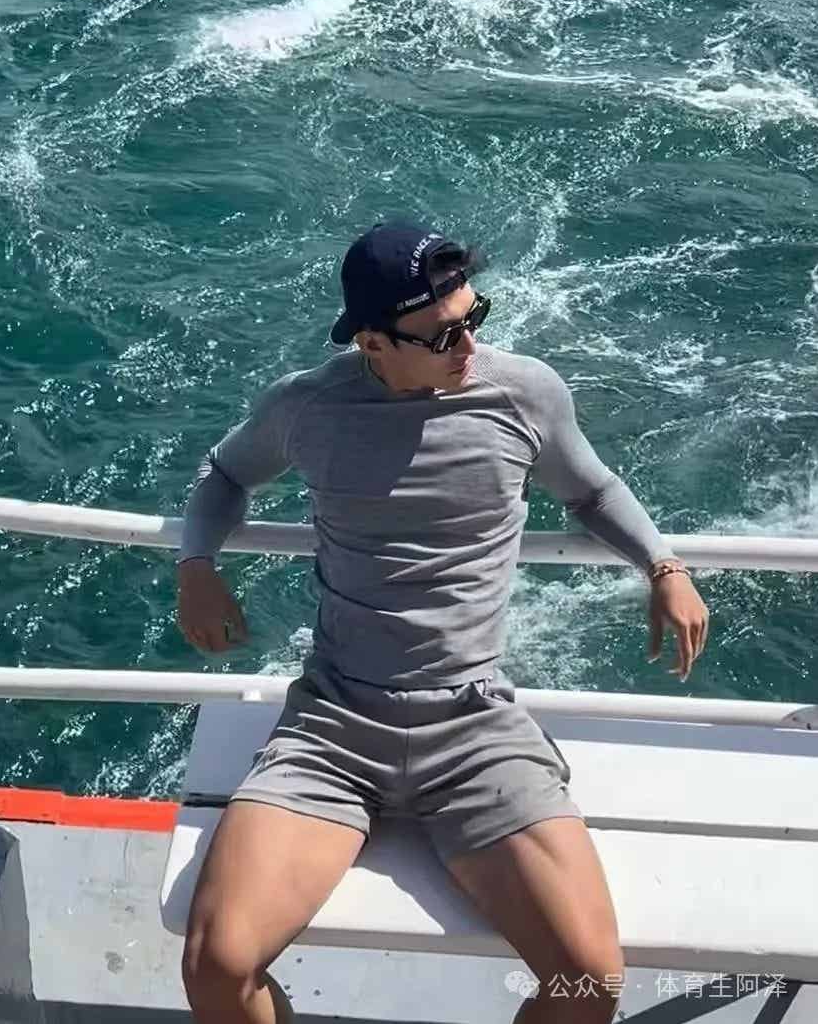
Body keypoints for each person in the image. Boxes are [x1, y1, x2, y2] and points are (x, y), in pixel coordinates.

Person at [176, 220, 710, 1024]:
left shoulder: (525, 393)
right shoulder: (308, 405)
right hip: (334, 727)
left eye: (472, 318)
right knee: (217, 965)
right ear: (371, 342)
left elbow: (592, 490)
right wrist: (197, 567)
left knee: (587, 981)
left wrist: (663, 568)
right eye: (440, 335)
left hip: (472, 728)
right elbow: (225, 472)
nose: (467, 345)